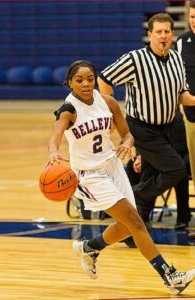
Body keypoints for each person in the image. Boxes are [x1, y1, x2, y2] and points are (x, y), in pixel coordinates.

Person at [46, 59, 195, 295]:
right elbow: (55, 135)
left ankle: (90, 248)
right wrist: (54, 151)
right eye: (79, 80)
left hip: (113, 167)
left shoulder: (107, 101)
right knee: (136, 222)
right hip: (90, 175)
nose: (85, 84)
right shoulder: (69, 109)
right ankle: (170, 276)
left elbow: (127, 134)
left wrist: (126, 144)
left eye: (90, 79)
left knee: (127, 226)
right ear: (70, 83)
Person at [97, 13, 195, 230]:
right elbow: (104, 79)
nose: (163, 36)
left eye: (167, 32)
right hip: (142, 128)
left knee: (150, 175)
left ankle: (133, 231)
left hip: (167, 128)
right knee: (176, 170)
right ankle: (135, 198)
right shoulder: (135, 59)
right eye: (158, 32)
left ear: (173, 34)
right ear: (150, 35)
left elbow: (182, 95)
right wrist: (112, 114)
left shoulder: (177, 60)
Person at [125, 110, 192, 231]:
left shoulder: (176, 118)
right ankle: (139, 215)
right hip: (153, 155)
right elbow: (134, 141)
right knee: (131, 166)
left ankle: (183, 217)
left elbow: (181, 147)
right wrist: (138, 157)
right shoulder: (142, 119)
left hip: (176, 156)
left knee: (178, 171)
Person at [175, 1, 195, 189]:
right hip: (191, 115)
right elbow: (178, 75)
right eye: (192, 17)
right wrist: (180, 101)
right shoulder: (181, 42)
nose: (194, 21)